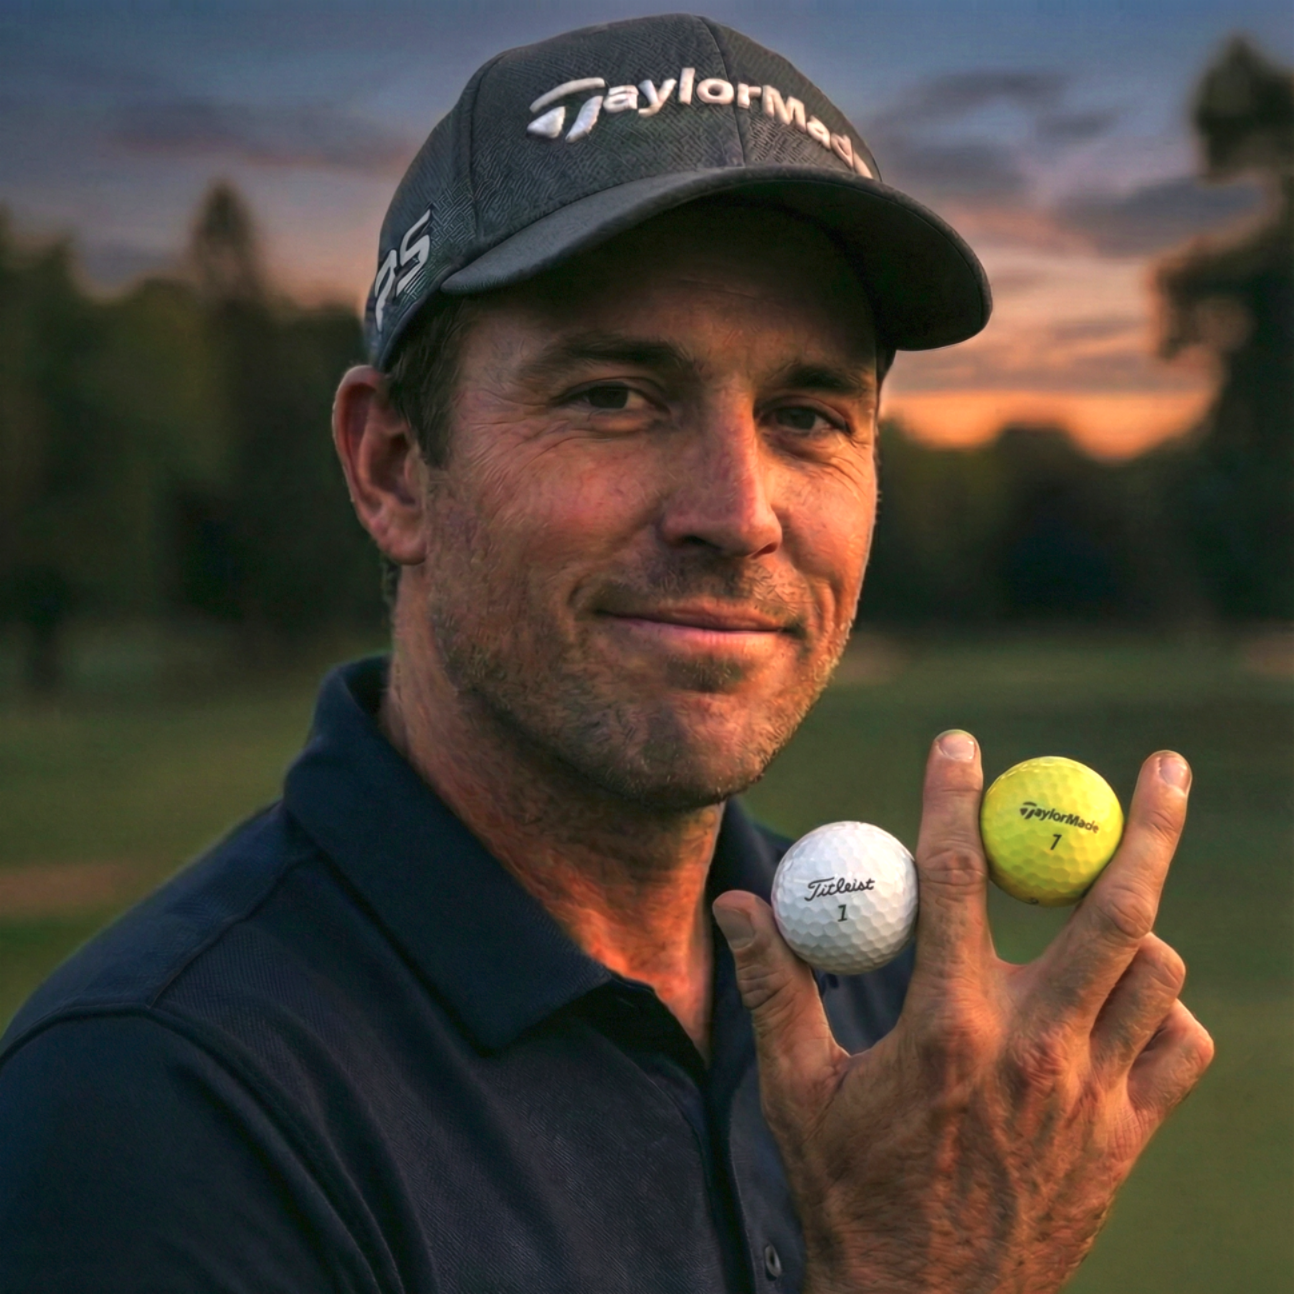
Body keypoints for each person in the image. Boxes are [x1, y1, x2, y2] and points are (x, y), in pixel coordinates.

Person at [0, 15, 1212, 1292]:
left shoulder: (897, 1000)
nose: (737, 513)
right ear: (394, 466)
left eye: (806, 416)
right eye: (613, 397)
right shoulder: (151, 1103)